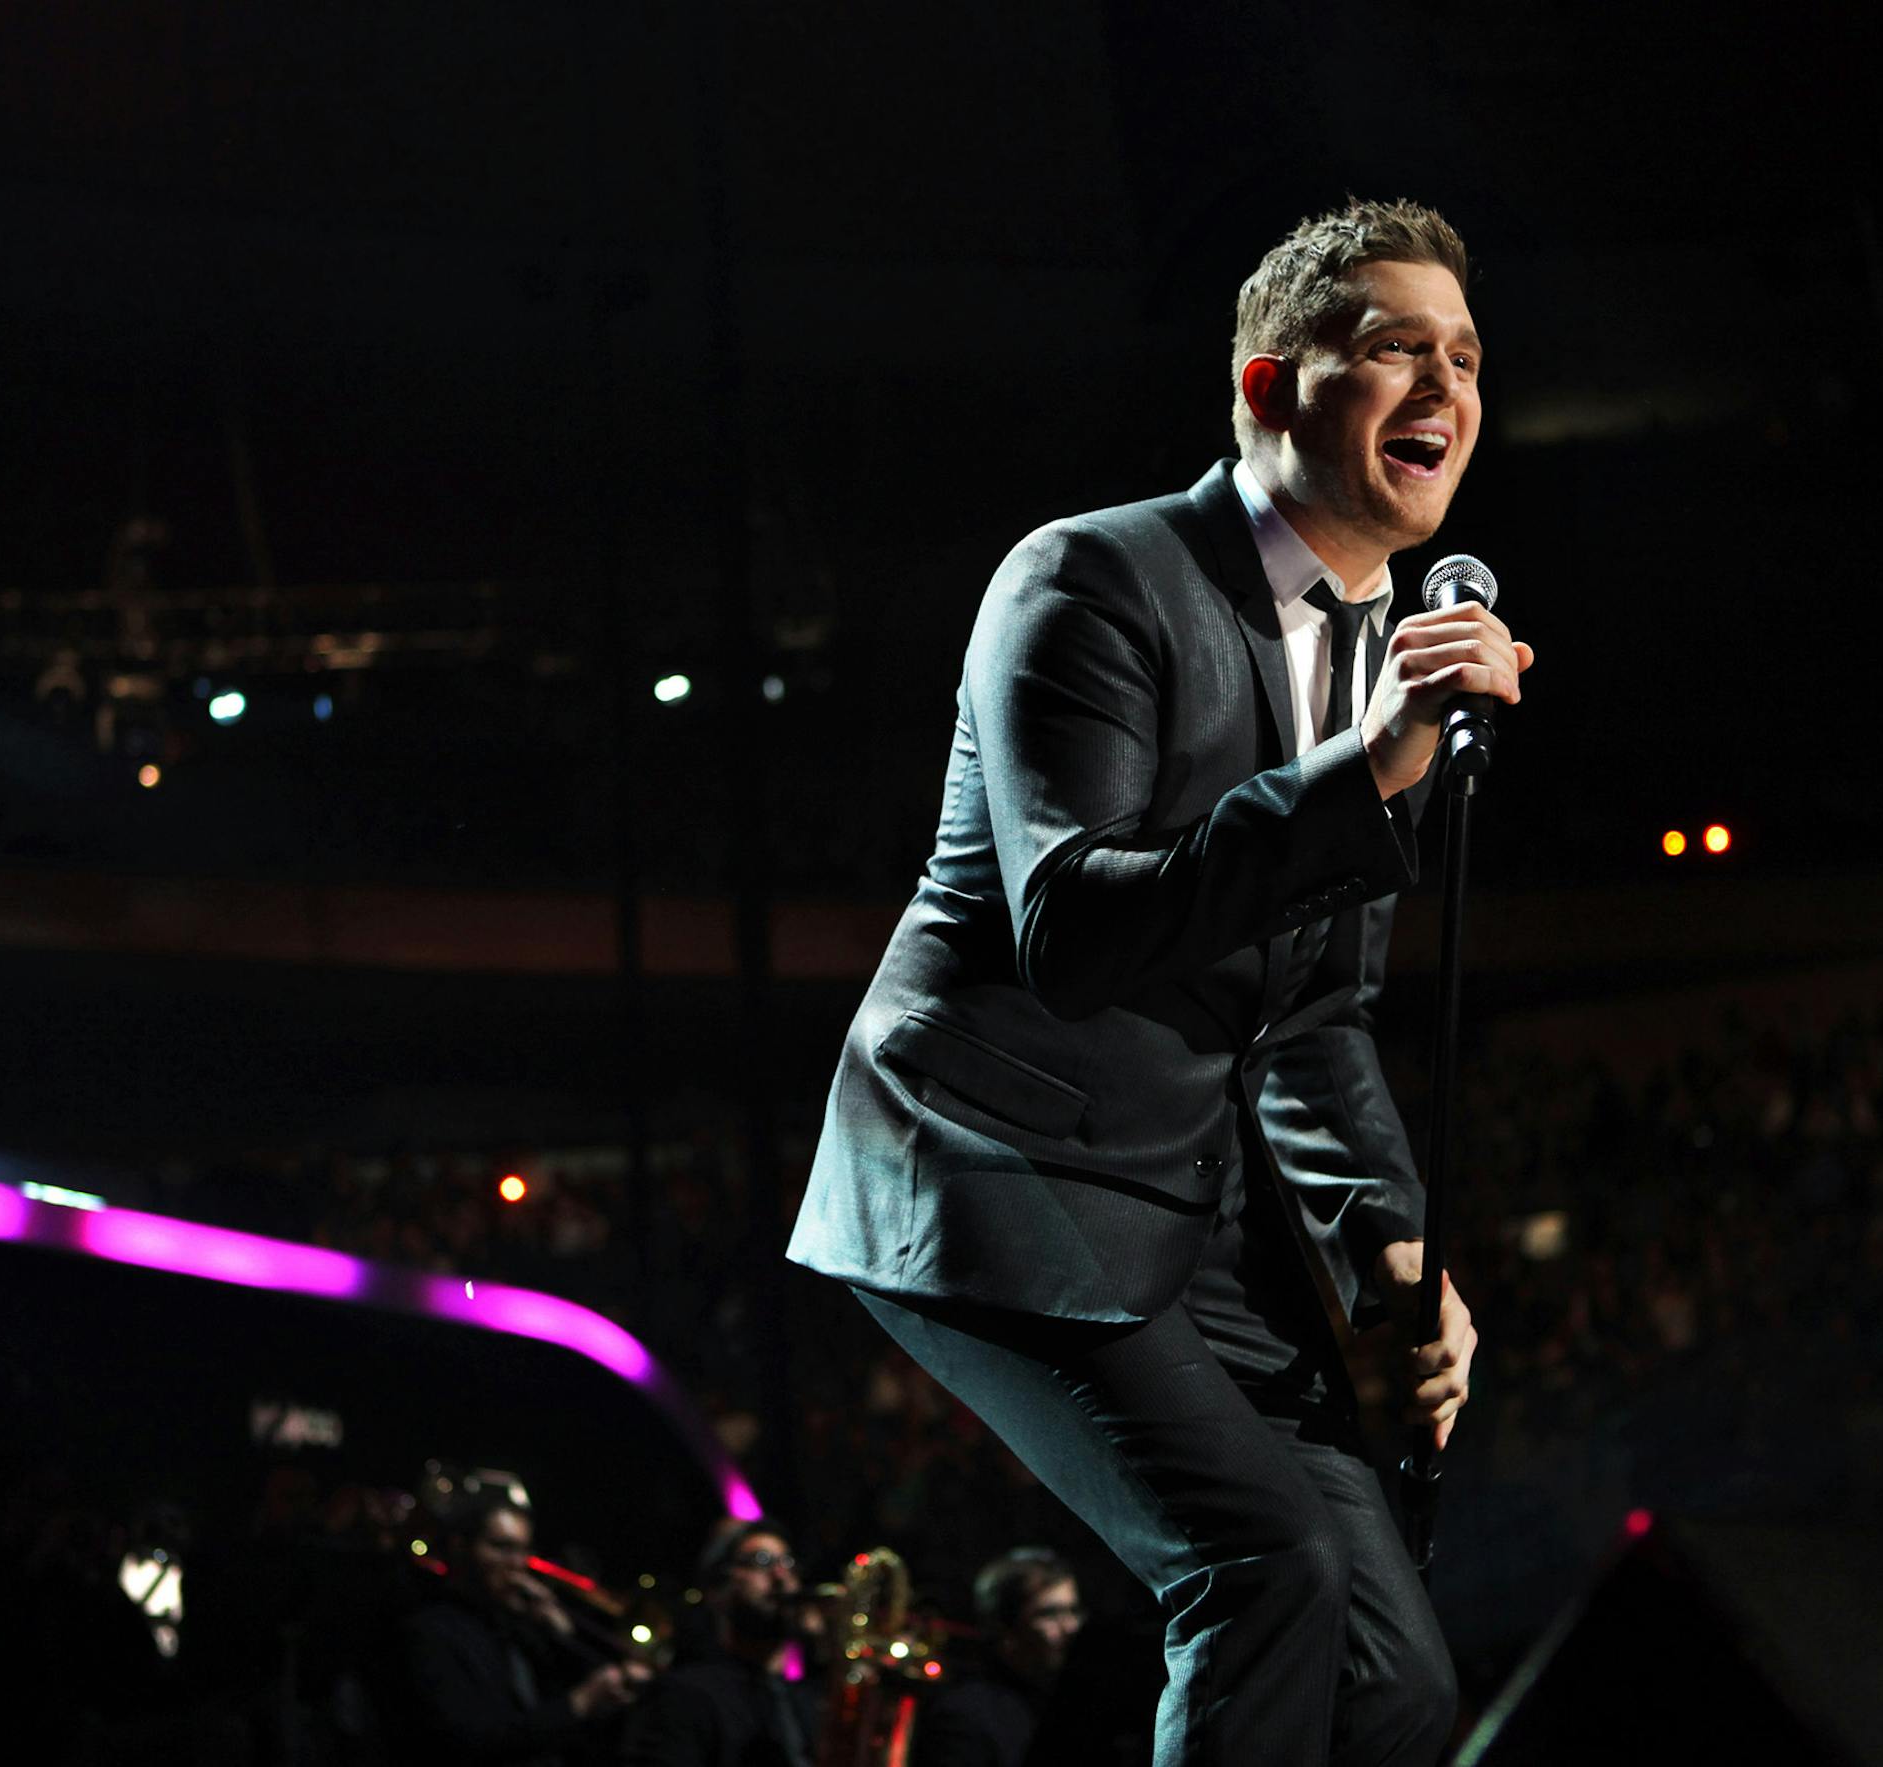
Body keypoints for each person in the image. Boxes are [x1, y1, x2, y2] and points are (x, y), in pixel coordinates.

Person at [788, 197, 1528, 1764]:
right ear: (1268, 388)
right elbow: (1072, 923)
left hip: (1182, 1205)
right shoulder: (1092, 579)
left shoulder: (1381, 643)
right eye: (1395, 348)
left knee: (1395, 1681)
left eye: (1465, 355)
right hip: (995, 1162)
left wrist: (1393, 1249)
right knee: (1266, 1565)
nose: (1447, 390)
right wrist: (1370, 767)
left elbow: (1314, 1014)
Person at [392, 1490, 644, 1764]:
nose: (517, 1564)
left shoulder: (516, 1624)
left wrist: (559, 1632)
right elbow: (476, 1740)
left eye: (522, 1550)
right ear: (460, 1546)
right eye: (501, 1547)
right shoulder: (430, 1630)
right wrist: (580, 1703)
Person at [619, 1518, 818, 1767]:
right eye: (762, 1561)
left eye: (787, 1563)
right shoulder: (685, 1695)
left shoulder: (803, 1701)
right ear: (718, 1591)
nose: (781, 1576)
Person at [912, 1547, 1082, 1767]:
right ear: (1004, 1626)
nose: (1071, 1627)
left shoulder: (1064, 1701)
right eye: (1049, 1613)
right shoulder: (965, 1714)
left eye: (1073, 1611)